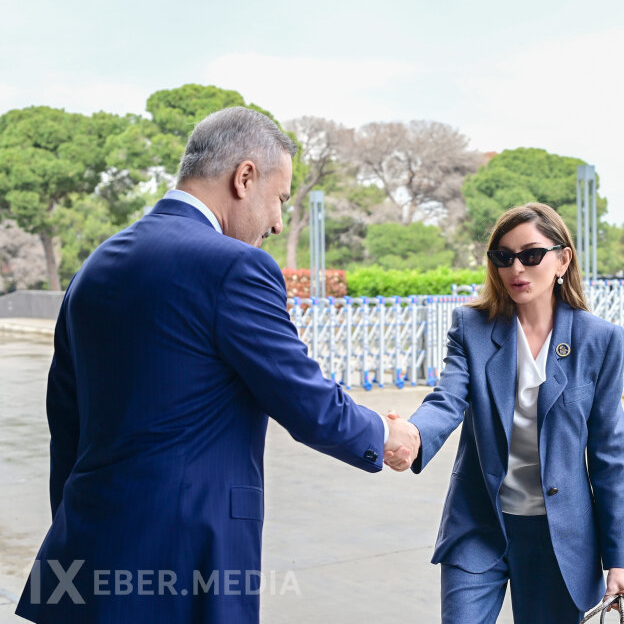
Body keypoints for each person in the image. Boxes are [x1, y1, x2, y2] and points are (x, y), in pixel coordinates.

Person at [15, 106, 420, 623]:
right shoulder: (235, 267)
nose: (277, 222)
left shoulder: (93, 269)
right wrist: (386, 435)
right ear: (244, 177)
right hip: (187, 562)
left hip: (84, 552)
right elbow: (306, 400)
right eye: (279, 199)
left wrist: (82, 530)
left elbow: (65, 425)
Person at [383, 203, 624, 623]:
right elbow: (447, 398)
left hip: (561, 539)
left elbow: (611, 455)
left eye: (531, 255)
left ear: (563, 259)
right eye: (504, 257)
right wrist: (412, 435)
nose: (516, 268)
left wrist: (618, 561)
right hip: (479, 523)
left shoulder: (600, 340)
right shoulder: (472, 327)